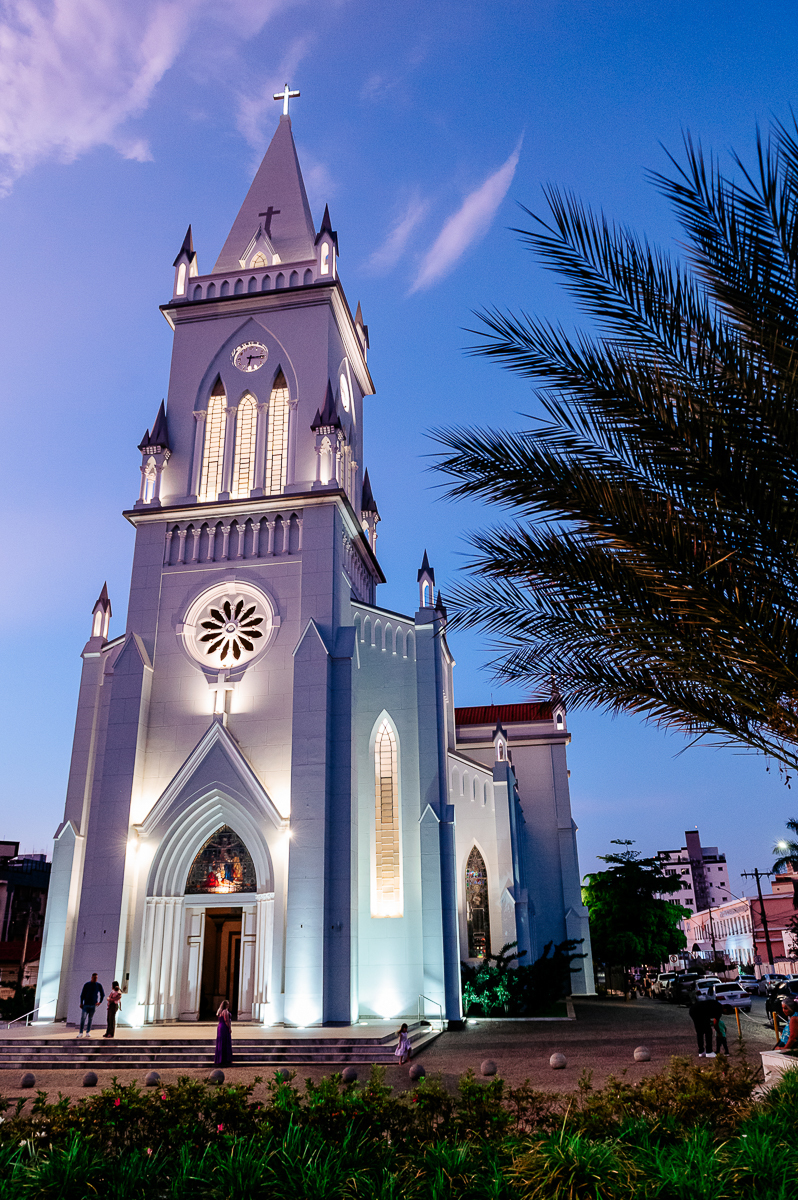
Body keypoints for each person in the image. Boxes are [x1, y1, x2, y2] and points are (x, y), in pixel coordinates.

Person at [688, 988, 722, 1058]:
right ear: (726, 1009)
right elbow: (715, 1023)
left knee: (699, 1032)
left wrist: (708, 1022)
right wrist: (719, 1032)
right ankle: (709, 1051)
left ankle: (701, 1051)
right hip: (700, 1012)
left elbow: (709, 1015)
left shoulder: (715, 1004)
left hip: (693, 1010)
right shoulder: (719, 1009)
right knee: (708, 1032)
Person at [77, 973, 105, 1038]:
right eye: (94, 978)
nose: (95, 979)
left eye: (96, 978)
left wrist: (100, 1002)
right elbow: (83, 994)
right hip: (86, 1004)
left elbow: (102, 994)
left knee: (90, 1018)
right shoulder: (87, 985)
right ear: (92, 977)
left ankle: (87, 1032)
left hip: (93, 1004)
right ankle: (81, 1032)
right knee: (83, 1018)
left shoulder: (98, 985)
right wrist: (81, 1003)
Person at [215, 999, 233, 1066]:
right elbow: (226, 1020)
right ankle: (225, 1059)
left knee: (221, 1042)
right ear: (226, 1005)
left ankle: (220, 1059)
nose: (229, 1005)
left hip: (220, 1026)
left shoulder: (219, 1011)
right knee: (225, 1042)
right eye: (228, 1004)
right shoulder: (225, 1011)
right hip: (224, 1027)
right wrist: (229, 1028)